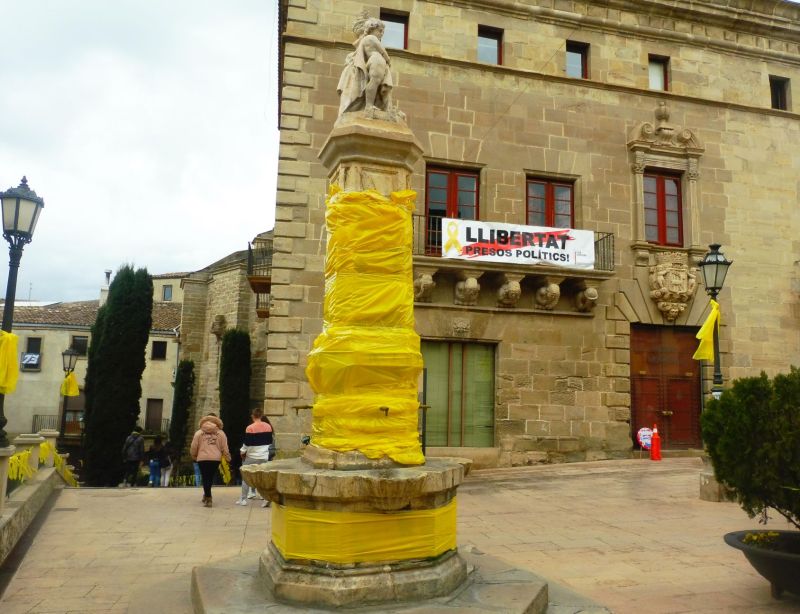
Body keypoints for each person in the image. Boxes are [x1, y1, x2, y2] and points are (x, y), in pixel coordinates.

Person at [337, 17, 393, 118]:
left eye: (382, 32)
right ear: (372, 29)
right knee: (374, 82)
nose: (381, 34)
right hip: (376, 61)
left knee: (374, 82)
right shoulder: (371, 38)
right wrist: (388, 59)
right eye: (380, 31)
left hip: (373, 62)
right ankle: (369, 105)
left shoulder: (365, 41)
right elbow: (382, 50)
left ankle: (370, 104)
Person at [190, 413, 231, 508]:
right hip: (215, 459)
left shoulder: (199, 433)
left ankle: (208, 498)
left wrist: (194, 456)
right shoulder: (221, 433)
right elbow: (225, 448)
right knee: (210, 477)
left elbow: (193, 447)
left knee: (205, 477)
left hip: (202, 458)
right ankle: (206, 495)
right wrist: (228, 457)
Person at [236, 408, 273, 507]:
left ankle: (243, 499)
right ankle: (266, 499)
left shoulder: (250, 428)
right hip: (264, 456)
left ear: (253, 416)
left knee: (245, 478)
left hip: (251, 456)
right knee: (263, 478)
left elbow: (247, 443)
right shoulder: (268, 426)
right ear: (261, 415)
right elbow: (270, 442)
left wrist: (242, 451)